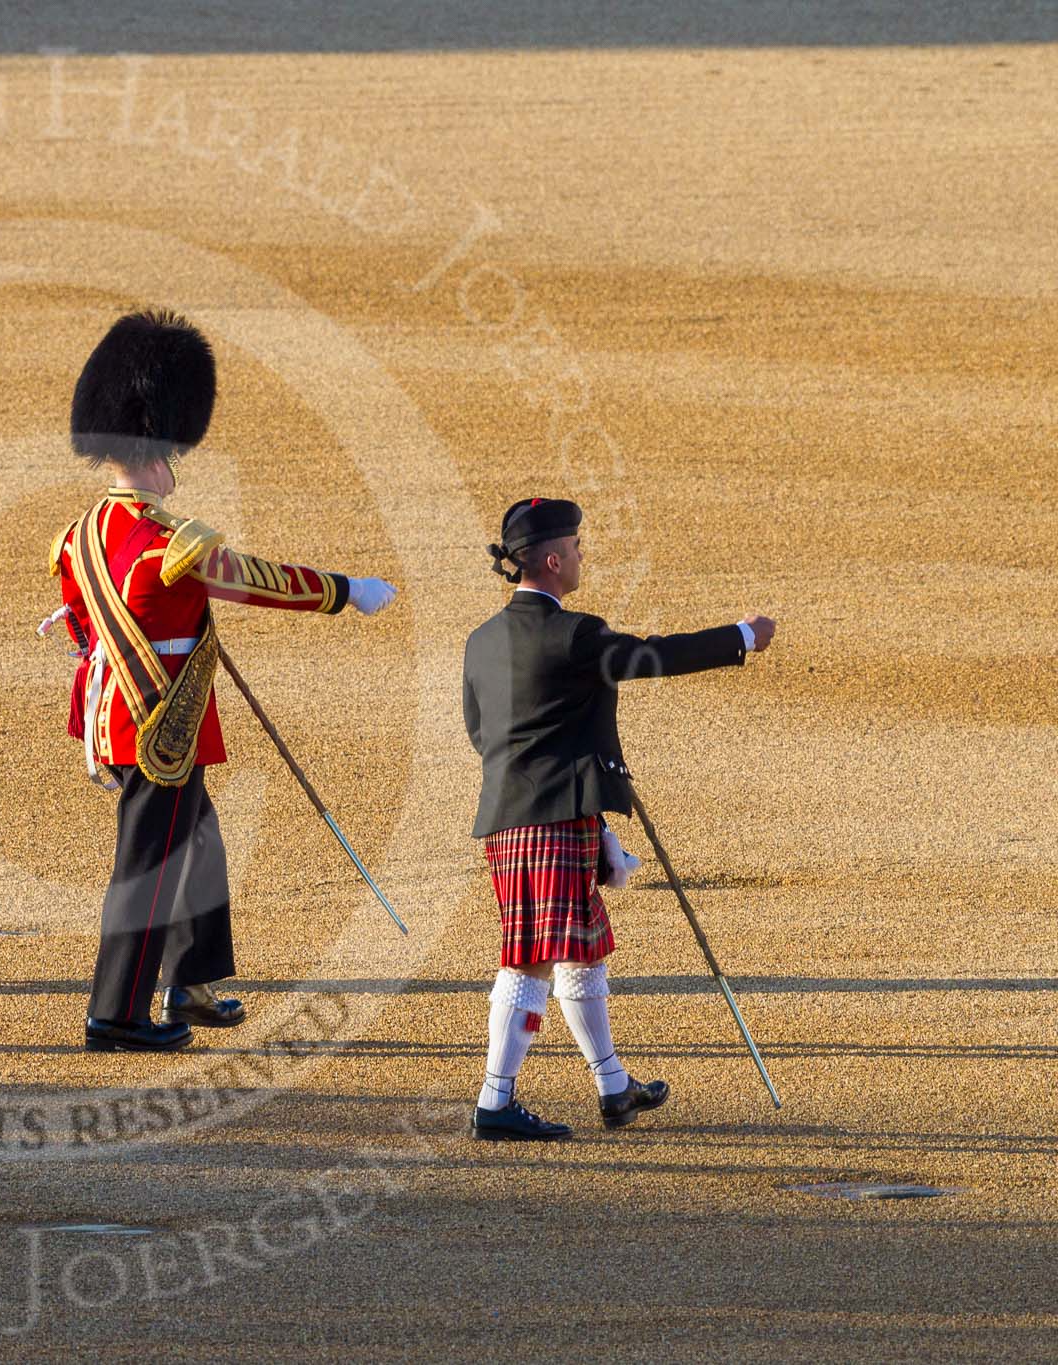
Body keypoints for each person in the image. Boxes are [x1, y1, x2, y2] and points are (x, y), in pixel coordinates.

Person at [50, 311, 399, 1052]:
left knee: (197, 844)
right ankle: (116, 1013)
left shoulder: (80, 534)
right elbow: (261, 581)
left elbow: (83, 624)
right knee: (149, 866)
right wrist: (346, 589)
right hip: (161, 723)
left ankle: (193, 979)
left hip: (121, 711)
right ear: (160, 451)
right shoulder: (171, 543)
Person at [461, 497, 775, 1138]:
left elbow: (480, 733)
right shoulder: (574, 633)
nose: (582, 556)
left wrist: (592, 811)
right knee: (530, 964)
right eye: (576, 546)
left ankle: (613, 1087)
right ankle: (494, 1102)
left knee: (578, 954)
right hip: (550, 819)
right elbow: (651, 656)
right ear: (552, 559)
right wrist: (741, 636)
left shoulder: (481, 641)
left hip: (516, 815)